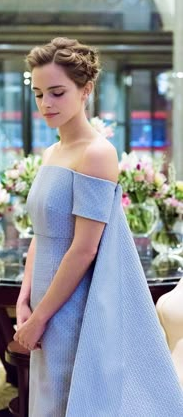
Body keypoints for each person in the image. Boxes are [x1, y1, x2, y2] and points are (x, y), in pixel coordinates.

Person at [14, 37, 183, 417]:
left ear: (85, 89)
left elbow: (84, 249)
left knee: (71, 399)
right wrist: (25, 299)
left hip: (74, 303)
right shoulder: (51, 152)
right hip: (43, 294)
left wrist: (42, 317)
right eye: (39, 94)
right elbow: (41, 233)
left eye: (57, 92)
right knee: (46, 398)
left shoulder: (97, 153)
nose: (46, 104)